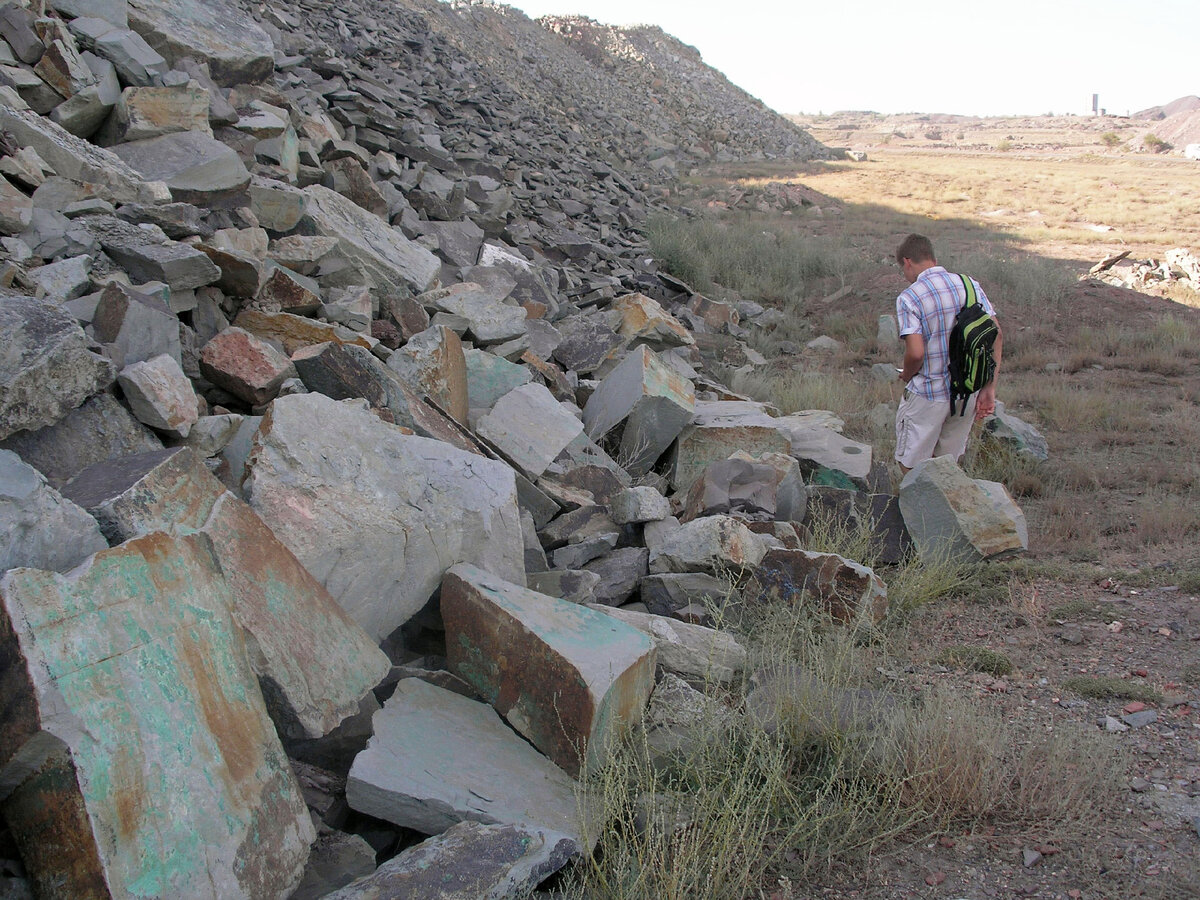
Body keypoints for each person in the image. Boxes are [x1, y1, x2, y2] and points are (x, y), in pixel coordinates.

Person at [892, 233, 1002, 473]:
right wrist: (989, 388)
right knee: (947, 467)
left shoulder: (910, 297)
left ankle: (920, 509)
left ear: (907, 262)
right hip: (966, 392)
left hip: (928, 394)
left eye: (903, 269)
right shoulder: (969, 284)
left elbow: (916, 353)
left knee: (910, 466)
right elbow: (996, 334)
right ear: (933, 258)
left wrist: (907, 374)